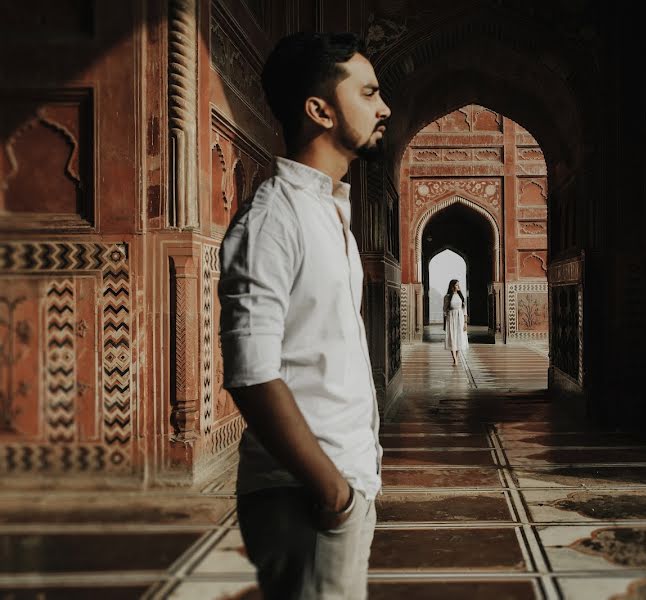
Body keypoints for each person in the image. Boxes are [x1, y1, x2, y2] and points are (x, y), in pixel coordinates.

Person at [217, 31, 391, 599]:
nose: (383, 107)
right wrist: (331, 490)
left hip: (338, 485)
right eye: (367, 93)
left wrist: (349, 486)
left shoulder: (328, 211)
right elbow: (252, 373)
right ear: (319, 109)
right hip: (307, 496)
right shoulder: (274, 220)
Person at [443, 279, 468, 365]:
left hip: (460, 317)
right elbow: (445, 311)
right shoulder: (447, 296)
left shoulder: (461, 296)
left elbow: (464, 310)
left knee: (459, 337)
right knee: (452, 338)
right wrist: (444, 324)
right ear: (452, 286)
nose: (458, 286)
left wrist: (465, 323)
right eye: (457, 285)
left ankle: (456, 357)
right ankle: (455, 359)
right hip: (451, 318)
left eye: (458, 285)